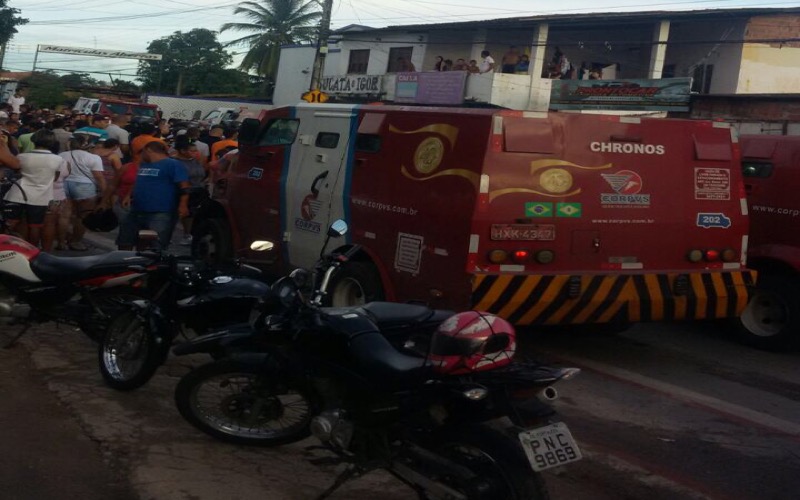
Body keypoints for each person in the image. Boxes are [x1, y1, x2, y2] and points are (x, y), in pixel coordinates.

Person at [117, 141, 189, 251]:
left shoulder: (172, 164)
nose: (140, 156)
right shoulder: (144, 164)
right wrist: (129, 195)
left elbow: (184, 186)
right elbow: (139, 180)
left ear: (148, 150)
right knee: (126, 239)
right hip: (137, 209)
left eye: (142, 152)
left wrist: (183, 204)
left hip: (161, 212)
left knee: (155, 244)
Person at [2, 129, 66, 247]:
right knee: (35, 227)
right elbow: (55, 178)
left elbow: (16, 171)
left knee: (10, 224)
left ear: (34, 141)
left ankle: (6, 249)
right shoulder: (58, 159)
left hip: (17, 194)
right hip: (40, 197)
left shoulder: (22, 156)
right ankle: (33, 251)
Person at [61, 135, 106, 251]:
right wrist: (106, 194)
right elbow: (99, 177)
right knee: (83, 216)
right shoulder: (94, 158)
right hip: (85, 186)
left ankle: (61, 242)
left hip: (64, 184)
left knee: (64, 216)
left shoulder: (62, 155)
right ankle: (76, 242)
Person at [172, 135, 208, 246]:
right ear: (182, 151)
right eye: (192, 151)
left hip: (197, 191)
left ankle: (187, 234)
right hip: (180, 192)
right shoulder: (173, 162)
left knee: (190, 215)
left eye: (196, 150)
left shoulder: (195, 161)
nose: (196, 152)